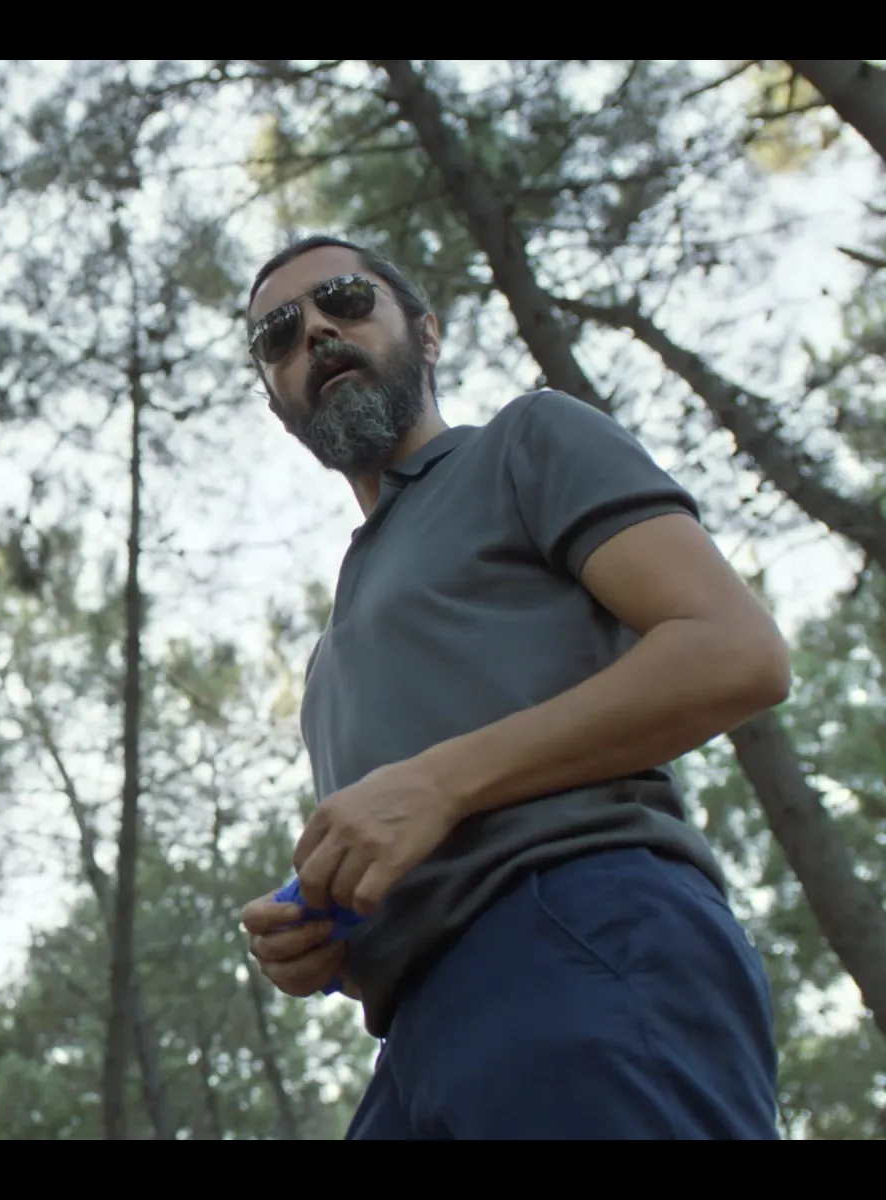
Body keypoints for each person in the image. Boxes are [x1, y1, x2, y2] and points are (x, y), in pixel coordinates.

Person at [235, 235, 787, 1139]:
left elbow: (735, 651)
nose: (317, 333)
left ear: (427, 332)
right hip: (412, 1034)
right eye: (279, 334)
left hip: (580, 934)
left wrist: (440, 783)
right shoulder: (329, 655)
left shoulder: (527, 440)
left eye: (345, 299)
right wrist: (329, 936)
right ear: (277, 404)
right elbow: (416, 826)